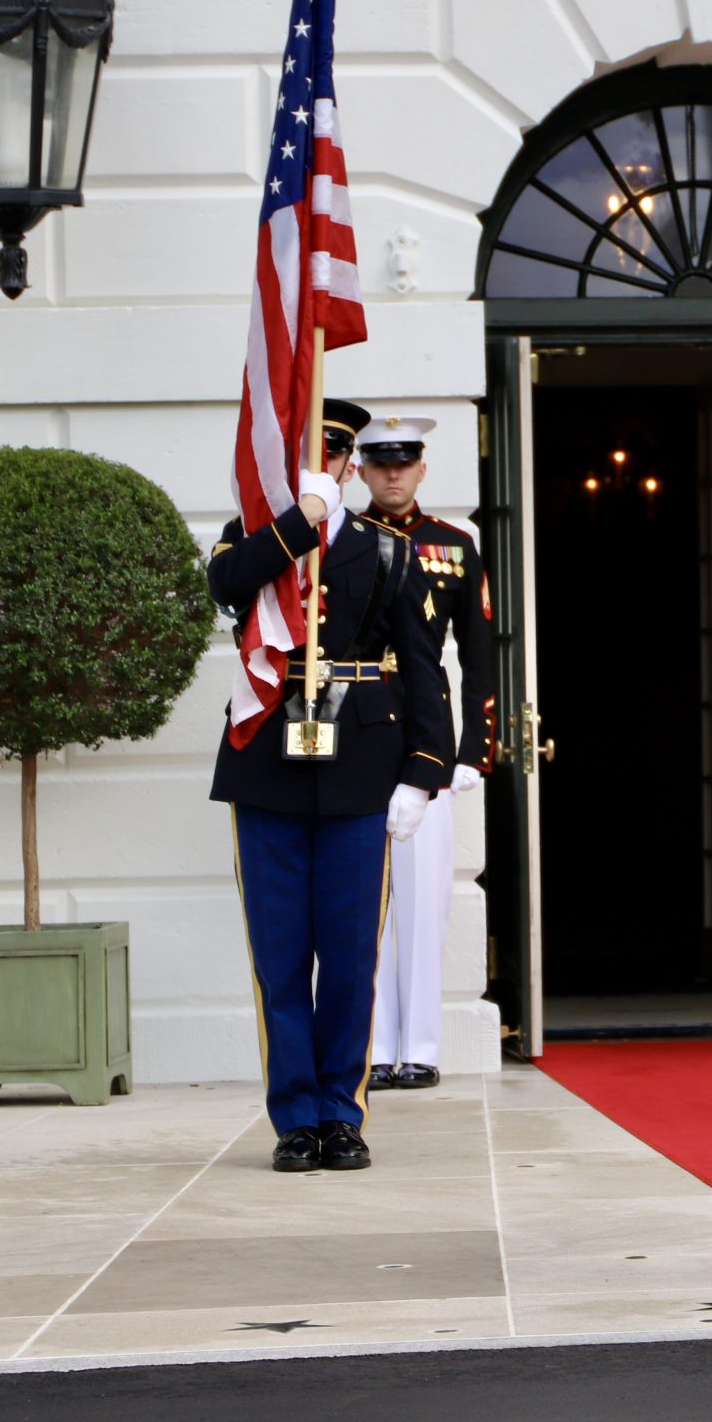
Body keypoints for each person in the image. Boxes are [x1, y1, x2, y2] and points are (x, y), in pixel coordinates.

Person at [208, 397, 454, 1174]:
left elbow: (423, 670)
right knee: (280, 958)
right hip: (266, 765)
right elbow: (228, 586)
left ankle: (342, 1113)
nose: (330, 471)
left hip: (360, 768)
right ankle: (295, 1117)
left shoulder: (388, 551)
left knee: (348, 957)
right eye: (311, 461)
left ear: (351, 464)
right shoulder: (249, 536)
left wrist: (423, 772)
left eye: (335, 461)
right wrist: (299, 517)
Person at [352, 413, 497, 1092]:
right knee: (364, 901)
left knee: (422, 898)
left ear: (420, 468)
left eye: (402, 462)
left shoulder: (454, 545)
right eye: (379, 462)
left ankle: (421, 1045)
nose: (391, 473)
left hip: (426, 738)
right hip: (357, 732)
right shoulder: (343, 539)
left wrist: (475, 747)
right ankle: (375, 1045)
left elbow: (480, 649)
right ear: (361, 468)